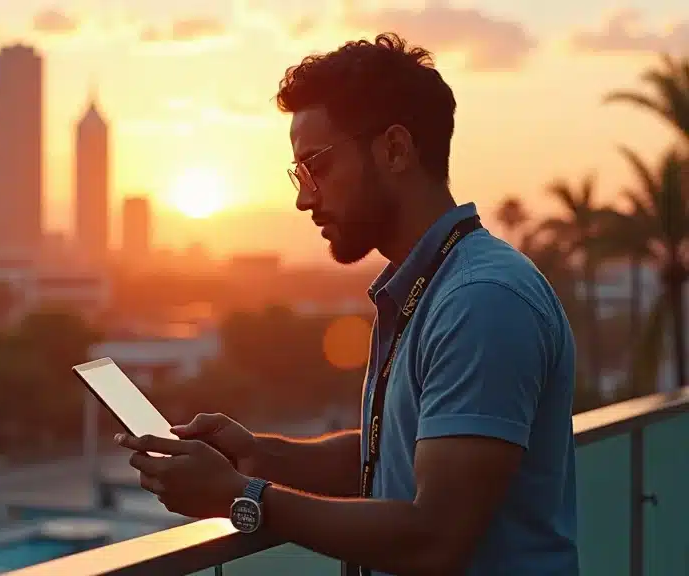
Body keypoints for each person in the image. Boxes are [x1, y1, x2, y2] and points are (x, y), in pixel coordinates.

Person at [116, 33, 579, 575]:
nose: (304, 197)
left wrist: (241, 497)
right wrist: (255, 456)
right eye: (299, 173)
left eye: (317, 166)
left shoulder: (480, 300)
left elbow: (434, 538)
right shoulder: (428, 287)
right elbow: (395, 452)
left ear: (396, 150)